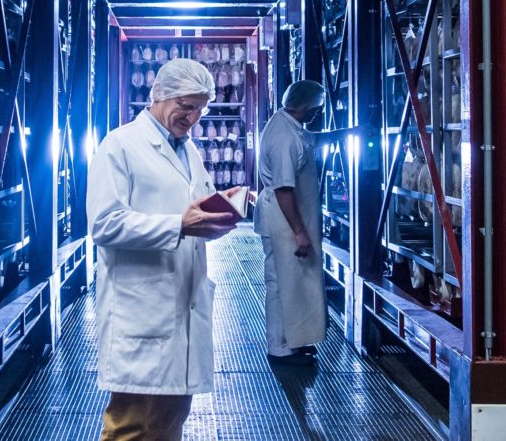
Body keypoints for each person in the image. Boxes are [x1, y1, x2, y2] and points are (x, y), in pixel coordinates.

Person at [87, 58, 238, 440]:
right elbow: (104, 224)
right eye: (186, 106)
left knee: (170, 421)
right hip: (143, 311)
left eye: (200, 109)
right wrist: (178, 225)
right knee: (132, 425)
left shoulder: (188, 151)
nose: (192, 117)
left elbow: (195, 210)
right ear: (159, 96)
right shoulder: (119, 146)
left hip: (183, 306)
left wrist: (220, 213)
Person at [253, 80, 327, 365]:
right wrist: (299, 232)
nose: (318, 113)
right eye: (317, 108)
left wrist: (348, 133)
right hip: (283, 220)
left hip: (288, 217)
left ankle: (294, 341)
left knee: (294, 282)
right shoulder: (285, 137)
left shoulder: (287, 124)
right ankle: (281, 348)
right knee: (281, 283)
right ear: (306, 107)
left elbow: (312, 141)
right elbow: (284, 188)